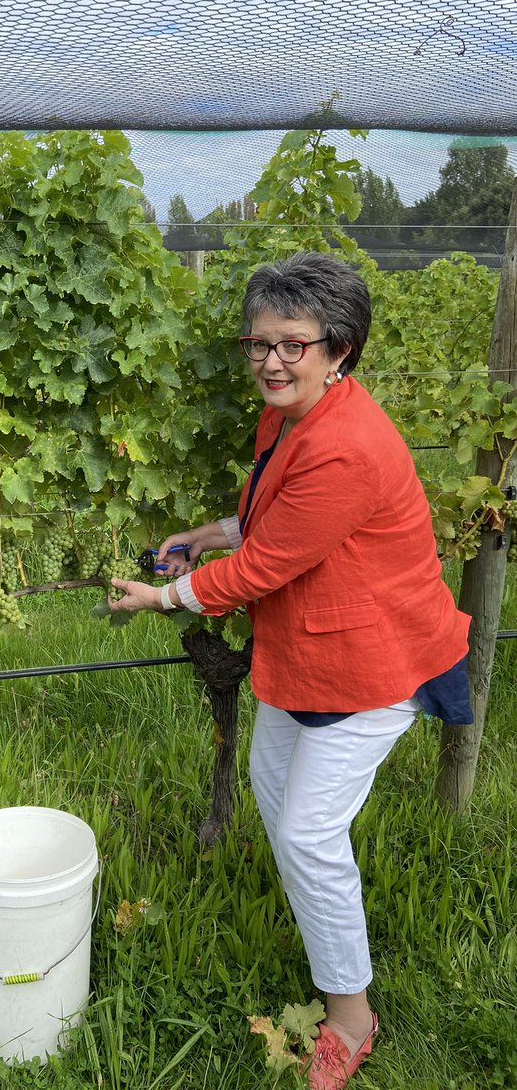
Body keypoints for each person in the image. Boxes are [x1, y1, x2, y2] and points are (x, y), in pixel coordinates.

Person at [109, 251, 471, 1090]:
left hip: (372, 661)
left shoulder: (347, 445)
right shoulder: (293, 417)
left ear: (339, 349)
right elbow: (267, 516)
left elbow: (263, 568)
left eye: (292, 345)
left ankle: (351, 1016)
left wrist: (161, 599)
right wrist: (207, 533)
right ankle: (323, 927)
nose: (271, 361)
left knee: (308, 832)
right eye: (258, 342)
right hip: (307, 652)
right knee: (280, 807)